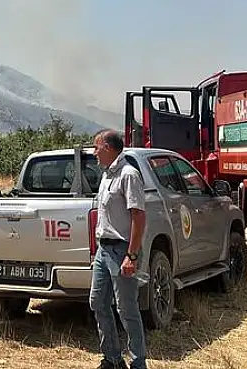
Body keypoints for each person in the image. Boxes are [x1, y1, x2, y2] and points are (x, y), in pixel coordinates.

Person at [89, 129, 148, 369]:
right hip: (104, 251)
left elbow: (138, 217)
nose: (94, 152)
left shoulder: (129, 174)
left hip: (122, 250)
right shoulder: (106, 176)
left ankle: (138, 362)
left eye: (97, 147)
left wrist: (131, 256)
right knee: (98, 302)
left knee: (127, 309)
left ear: (110, 148)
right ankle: (112, 359)